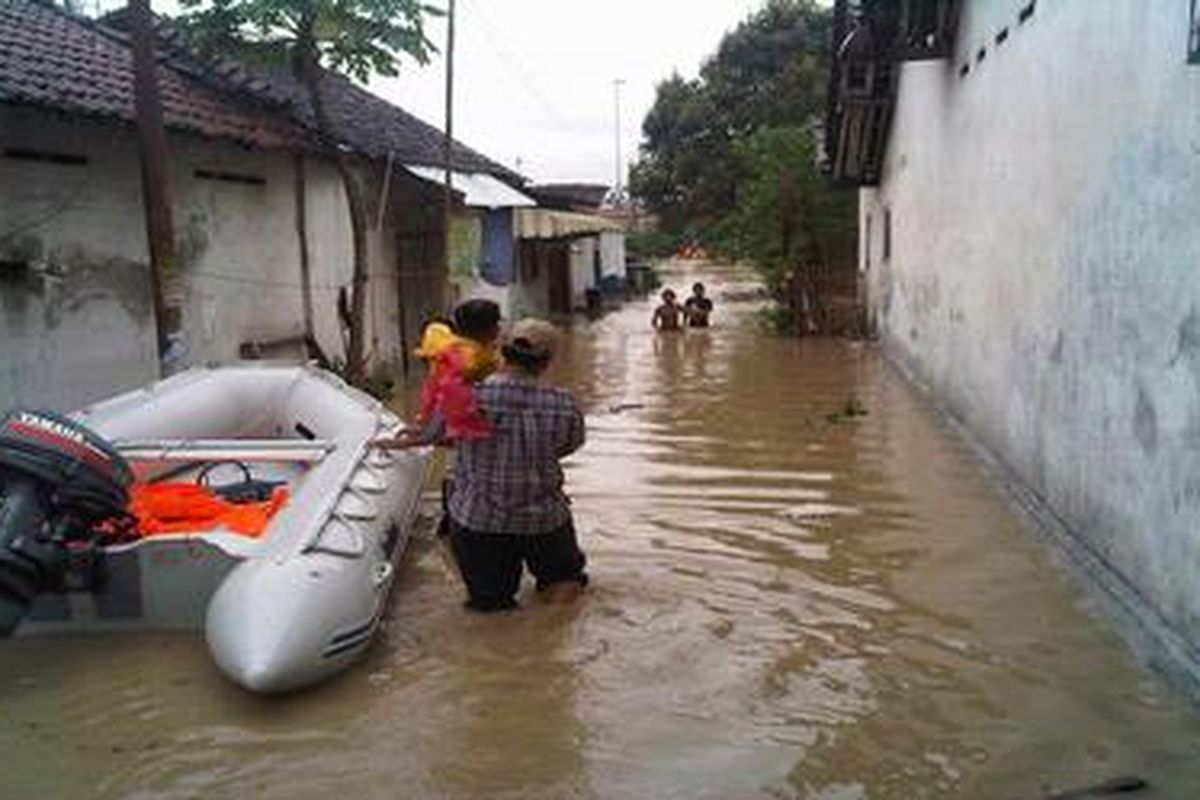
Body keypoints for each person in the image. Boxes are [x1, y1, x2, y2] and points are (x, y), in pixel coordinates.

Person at [377, 318, 588, 612]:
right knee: (564, 584)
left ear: (502, 351)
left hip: (479, 520)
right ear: (547, 361)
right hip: (545, 519)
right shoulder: (564, 403)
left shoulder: (467, 395)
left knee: (490, 605)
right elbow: (568, 445)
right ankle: (550, 638)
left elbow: (434, 435)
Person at [408, 299, 503, 444]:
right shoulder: (469, 360)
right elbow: (448, 397)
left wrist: (425, 425)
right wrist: (427, 432)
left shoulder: (477, 352)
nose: (499, 328)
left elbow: (436, 394)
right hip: (474, 436)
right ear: (490, 329)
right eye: (497, 324)